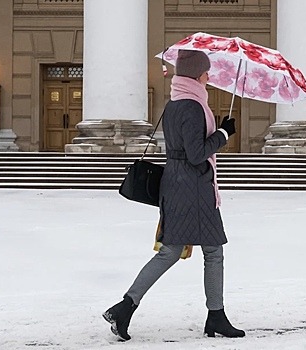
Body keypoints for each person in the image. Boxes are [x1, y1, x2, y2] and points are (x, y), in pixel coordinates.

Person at [102, 49, 244, 341]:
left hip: (179, 184)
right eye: (206, 71)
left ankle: (127, 307)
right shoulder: (192, 106)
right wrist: (224, 133)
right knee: (208, 251)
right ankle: (212, 315)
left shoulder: (176, 103)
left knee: (185, 251)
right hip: (192, 187)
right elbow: (196, 154)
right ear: (195, 74)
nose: (209, 76)